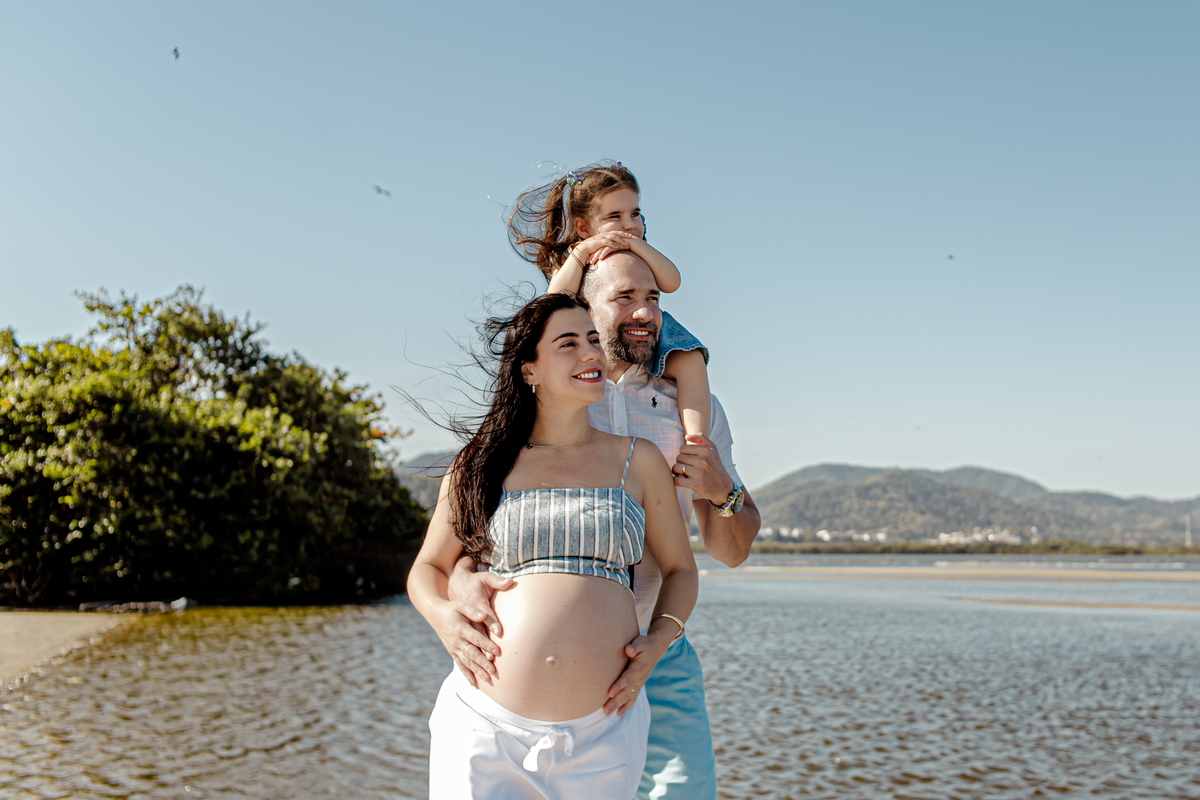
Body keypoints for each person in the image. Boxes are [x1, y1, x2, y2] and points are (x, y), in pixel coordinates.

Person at [447, 252, 762, 799]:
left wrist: (722, 492)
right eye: (624, 298)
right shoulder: (553, 399)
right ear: (584, 308)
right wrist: (456, 581)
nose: (644, 312)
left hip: (658, 651)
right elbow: (474, 526)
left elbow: (728, 553)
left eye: (654, 299)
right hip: (518, 681)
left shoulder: (692, 408)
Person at [407, 292, 699, 798]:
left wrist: (657, 644)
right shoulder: (481, 462)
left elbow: (681, 570)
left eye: (592, 339)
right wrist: (445, 621)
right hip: (483, 726)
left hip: (603, 734)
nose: (589, 353)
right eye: (567, 343)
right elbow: (428, 568)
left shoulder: (639, 460)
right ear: (529, 371)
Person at [509, 160, 712, 443]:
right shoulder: (577, 259)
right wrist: (582, 254)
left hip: (658, 335)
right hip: (603, 338)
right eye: (615, 216)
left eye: (635, 213)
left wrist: (635, 245)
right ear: (582, 227)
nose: (629, 225)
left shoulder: (640, 249)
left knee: (691, 360)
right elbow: (554, 303)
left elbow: (672, 282)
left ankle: (697, 438)